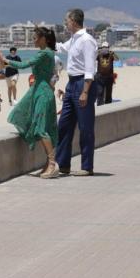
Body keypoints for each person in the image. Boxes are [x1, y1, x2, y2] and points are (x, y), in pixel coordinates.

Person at [0, 27, 60, 179]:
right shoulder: (47, 53)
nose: (33, 40)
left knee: (40, 128)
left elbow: (24, 65)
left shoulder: (45, 53)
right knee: (41, 125)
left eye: (35, 37)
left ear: (44, 39)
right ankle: (49, 163)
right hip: (40, 91)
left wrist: (5, 60)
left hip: (42, 93)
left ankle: (52, 164)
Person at [55, 9, 98, 177]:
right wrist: (45, 38)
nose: (65, 24)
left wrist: (85, 92)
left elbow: (90, 69)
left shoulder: (87, 40)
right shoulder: (74, 39)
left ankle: (87, 166)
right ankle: (62, 164)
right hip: (71, 83)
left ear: (73, 21)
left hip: (83, 84)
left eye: (67, 20)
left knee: (85, 127)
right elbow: (60, 48)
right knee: (64, 125)